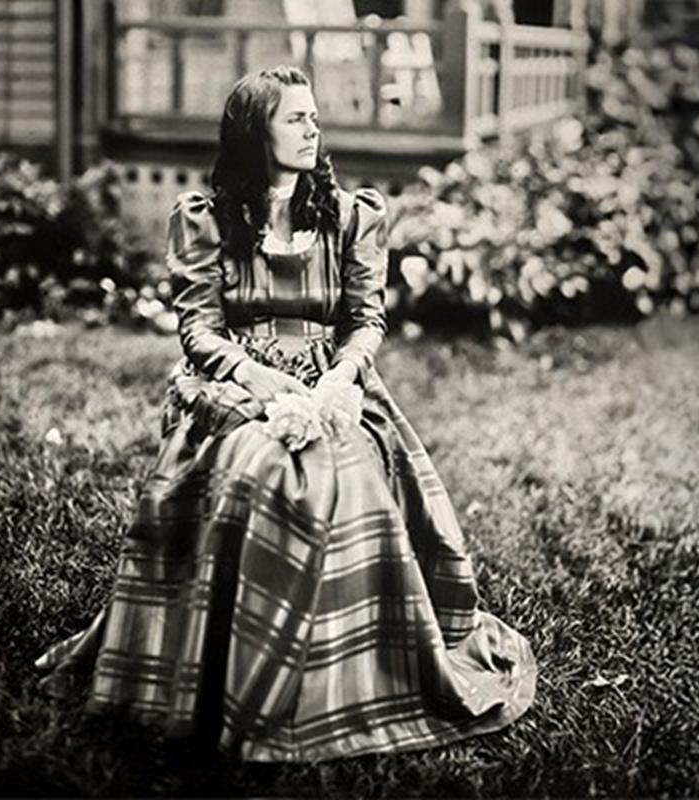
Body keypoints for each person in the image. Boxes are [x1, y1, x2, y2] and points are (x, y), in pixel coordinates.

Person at [35, 65, 537, 762]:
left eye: (313, 118)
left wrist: (339, 380)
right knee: (258, 469)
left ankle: (346, 677)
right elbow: (198, 330)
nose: (312, 129)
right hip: (235, 387)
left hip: (331, 382)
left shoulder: (351, 217)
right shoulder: (206, 221)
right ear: (255, 131)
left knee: (349, 470)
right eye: (295, 118)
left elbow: (366, 319)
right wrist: (258, 380)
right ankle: (234, 671)